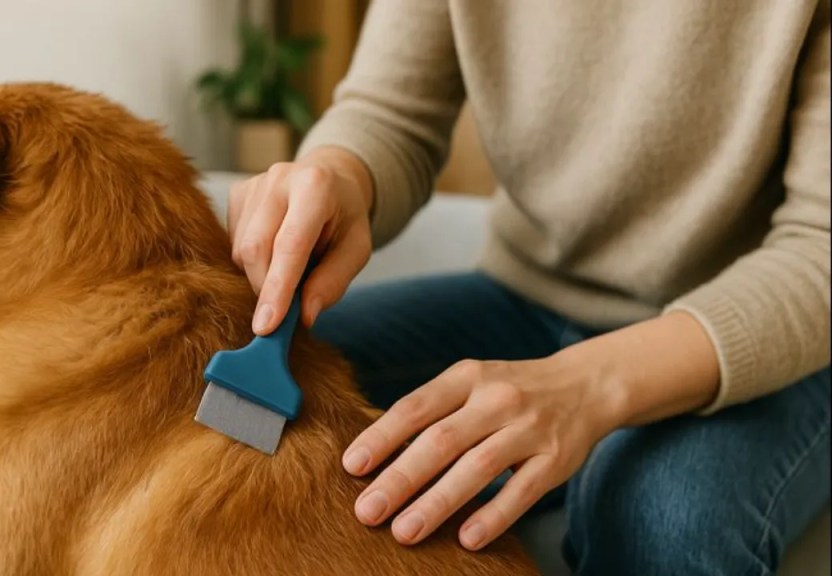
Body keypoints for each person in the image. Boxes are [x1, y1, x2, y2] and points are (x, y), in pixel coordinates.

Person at [225, 2, 830, 574]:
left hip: (763, 342)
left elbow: (820, 247)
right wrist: (341, 174)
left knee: (664, 518)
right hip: (524, 298)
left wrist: (589, 388)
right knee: (208, 369)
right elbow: (391, 111)